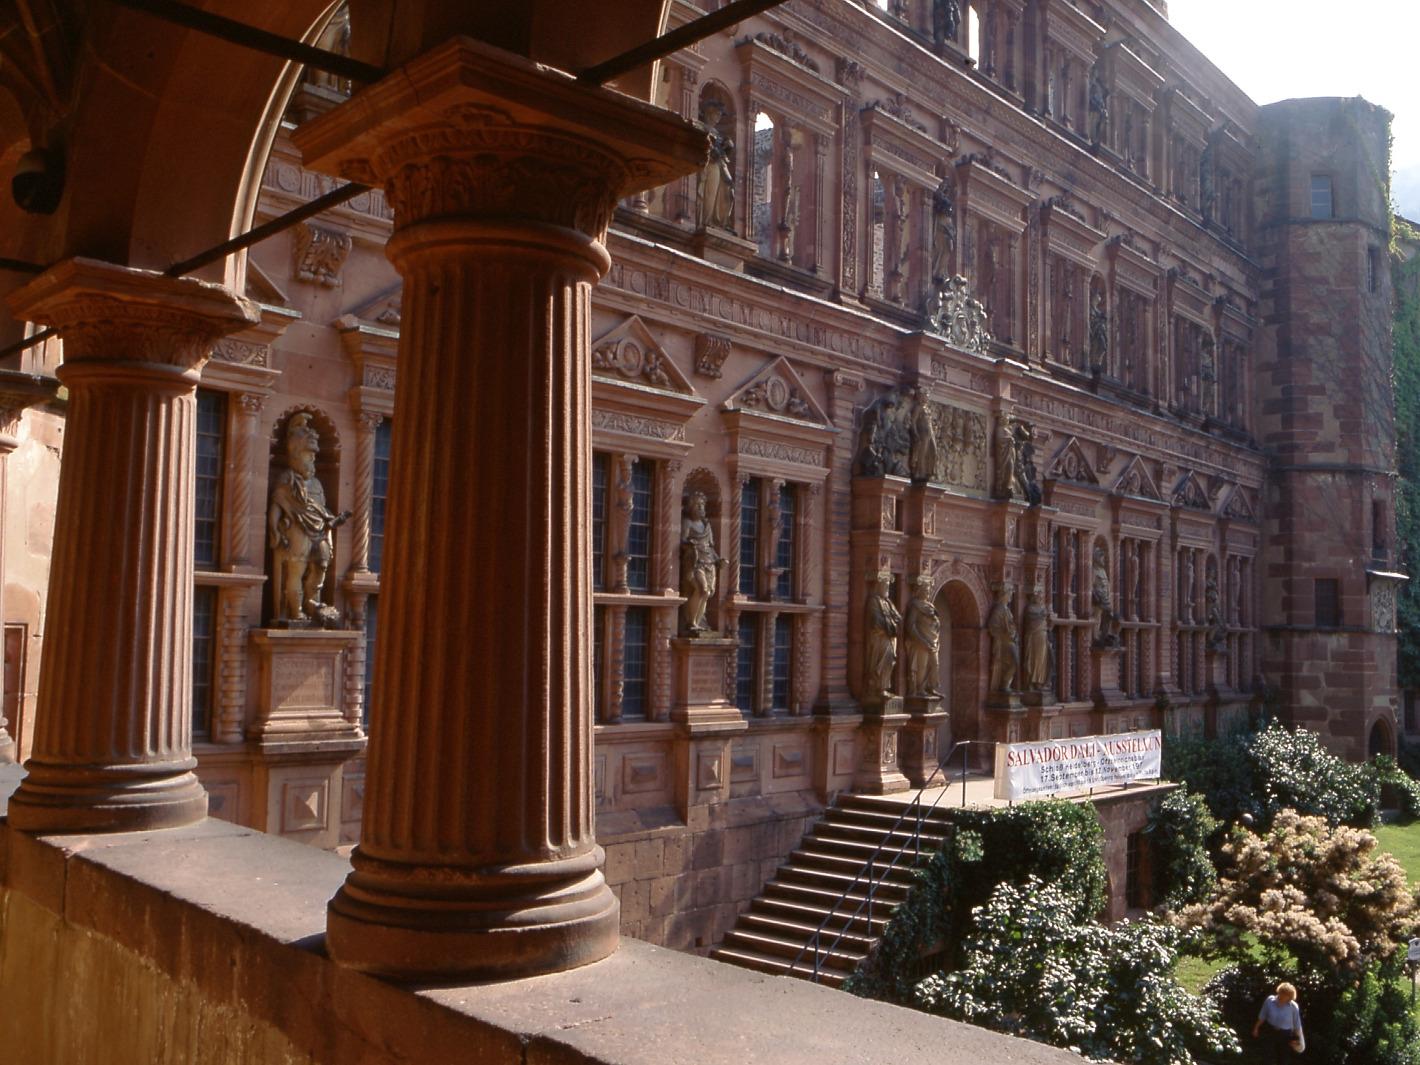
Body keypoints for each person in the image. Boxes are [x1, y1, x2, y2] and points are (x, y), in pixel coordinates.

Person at [1252, 982, 1304, 1062]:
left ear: (1290, 997)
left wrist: (1297, 1039)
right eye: (1281, 993)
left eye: (1285, 994)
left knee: (1283, 1058)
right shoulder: (1270, 1000)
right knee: (1267, 1056)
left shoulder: (1293, 1007)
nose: (1282, 996)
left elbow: (1297, 1024)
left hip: (1285, 1034)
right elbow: (1262, 1015)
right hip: (1270, 1031)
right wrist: (1256, 1028)